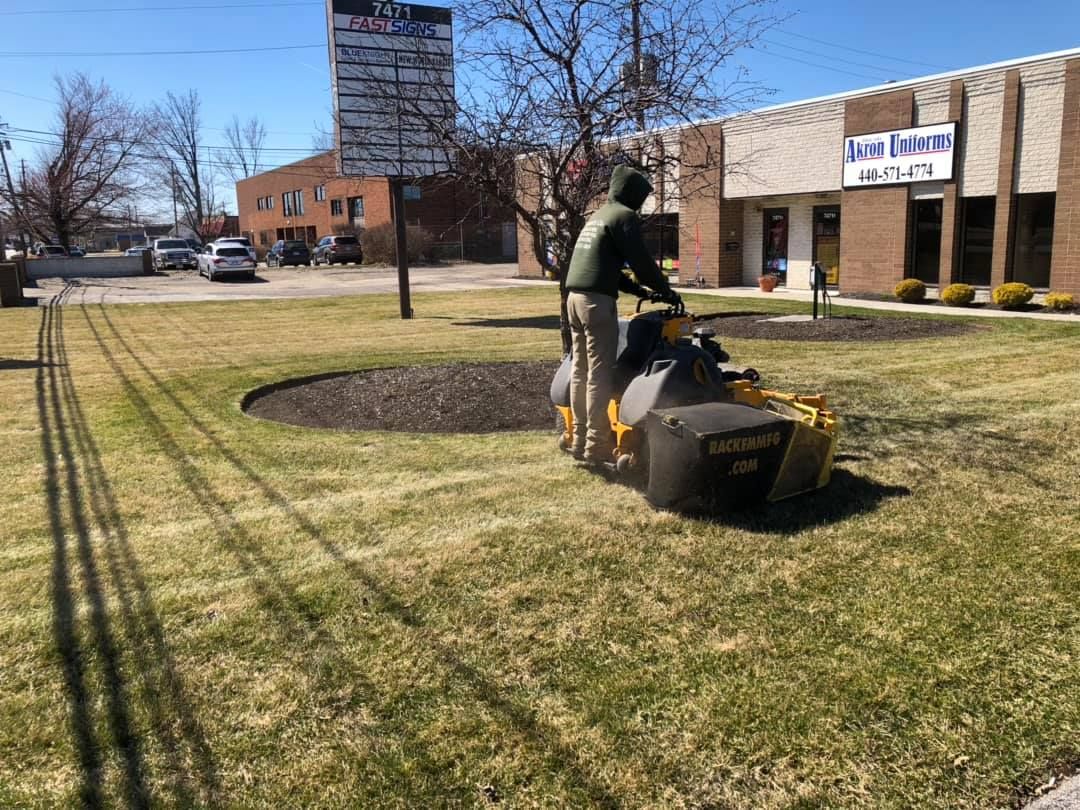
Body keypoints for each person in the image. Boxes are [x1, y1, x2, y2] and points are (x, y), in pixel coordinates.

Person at [564, 164, 680, 464]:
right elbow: (641, 263)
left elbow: (611, 271)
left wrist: (641, 293)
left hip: (574, 299)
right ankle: (596, 444)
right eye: (641, 198)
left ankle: (578, 437)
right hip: (596, 304)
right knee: (599, 374)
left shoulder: (598, 216)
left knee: (580, 371)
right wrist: (665, 290)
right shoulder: (624, 216)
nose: (641, 205)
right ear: (632, 194)